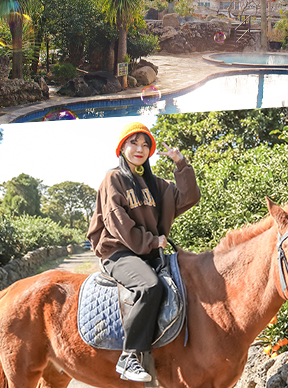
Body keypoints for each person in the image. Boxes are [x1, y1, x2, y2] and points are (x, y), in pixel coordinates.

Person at [87, 121, 201, 382]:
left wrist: (181, 165)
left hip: (147, 252)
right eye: (133, 143)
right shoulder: (113, 178)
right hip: (119, 252)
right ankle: (130, 356)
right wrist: (152, 242)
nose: (140, 148)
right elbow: (118, 223)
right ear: (122, 147)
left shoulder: (156, 185)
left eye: (145, 144)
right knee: (150, 286)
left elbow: (189, 197)